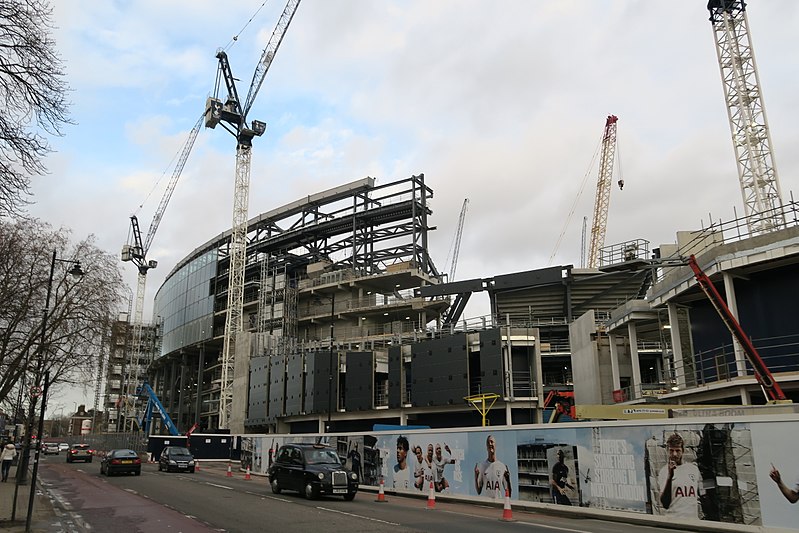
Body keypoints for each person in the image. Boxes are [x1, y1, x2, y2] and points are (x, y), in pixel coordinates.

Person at [658, 433, 702, 518]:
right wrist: (670, 476)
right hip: (674, 520)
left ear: (683, 451)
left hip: (692, 521)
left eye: (677, 451)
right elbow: (665, 504)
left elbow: (701, 493)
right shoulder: (663, 472)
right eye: (671, 450)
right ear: (667, 451)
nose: (674, 454)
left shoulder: (693, 469)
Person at [474, 434, 512, 498]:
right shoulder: (482, 466)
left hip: (498, 504)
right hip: (486, 505)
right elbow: (478, 491)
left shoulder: (502, 466)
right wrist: (476, 477)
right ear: (486, 447)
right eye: (488, 442)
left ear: (495, 445)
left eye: (492, 442)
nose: (490, 444)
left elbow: (509, 493)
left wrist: (508, 480)